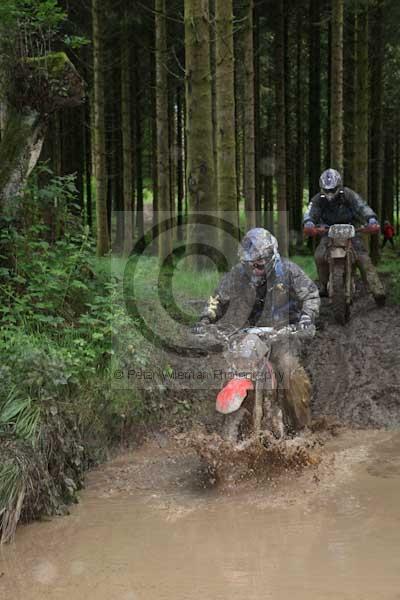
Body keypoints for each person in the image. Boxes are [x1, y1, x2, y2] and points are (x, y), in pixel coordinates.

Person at [193, 228, 320, 430]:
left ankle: (302, 428)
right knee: (231, 368)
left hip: (284, 334)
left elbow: (310, 295)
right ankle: (225, 420)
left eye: (260, 260)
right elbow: (216, 299)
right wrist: (205, 320)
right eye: (251, 261)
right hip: (250, 334)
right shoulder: (238, 274)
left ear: (271, 256)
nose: (256, 265)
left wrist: (306, 318)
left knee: (289, 370)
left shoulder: (288, 271)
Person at [304, 168, 386, 305]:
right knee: (319, 255)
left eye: (332, 189)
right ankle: (325, 285)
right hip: (328, 232)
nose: (330, 193)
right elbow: (310, 212)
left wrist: (371, 219)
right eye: (327, 190)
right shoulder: (318, 199)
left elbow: (362, 206)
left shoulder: (348, 194)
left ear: (339, 186)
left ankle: (378, 291)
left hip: (351, 231)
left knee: (363, 259)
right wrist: (309, 223)